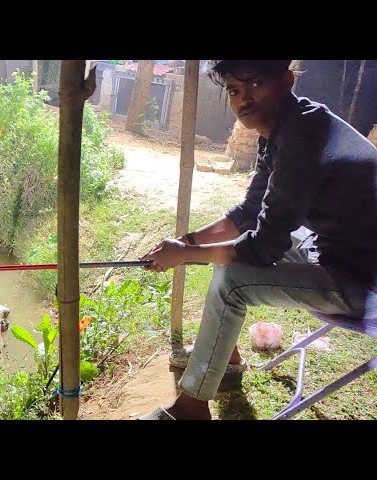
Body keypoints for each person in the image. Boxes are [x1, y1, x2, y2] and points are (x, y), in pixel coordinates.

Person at [138, 59, 377, 420]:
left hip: (364, 283)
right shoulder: (289, 127)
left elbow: (263, 247)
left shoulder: (301, 136)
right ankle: (226, 357)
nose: (243, 98)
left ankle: (191, 409)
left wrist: (186, 254)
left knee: (232, 280)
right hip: (337, 250)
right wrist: (183, 243)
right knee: (233, 258)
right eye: (234, 89)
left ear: (286, 81)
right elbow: (249, 212)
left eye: (254, 84)